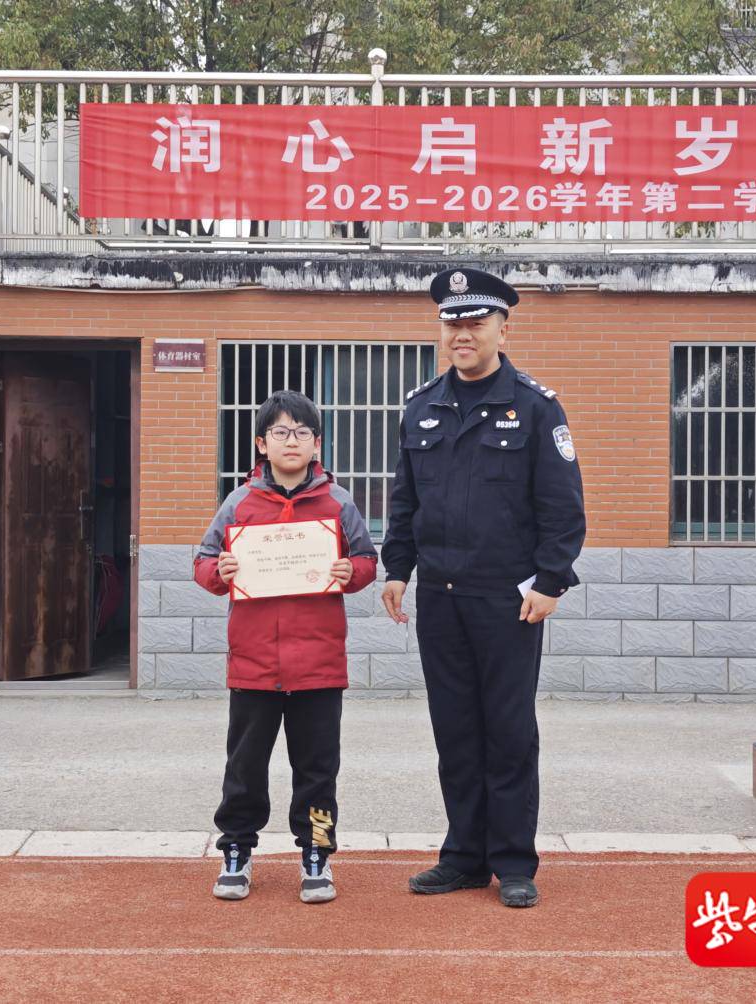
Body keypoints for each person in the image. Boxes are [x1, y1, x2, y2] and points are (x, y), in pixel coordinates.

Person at [380, 267, 586, 909]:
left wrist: (551, 581)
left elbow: (563, 507)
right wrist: (396, 568)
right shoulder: (422, 407)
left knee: (509, 729)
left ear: (503, 328)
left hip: (508, 599)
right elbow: (405, 500)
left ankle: (514, 860)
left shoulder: (536, 407)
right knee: (455, 729)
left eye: (475, 322)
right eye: (452, 323)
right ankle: (464, 856)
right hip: (440, 597)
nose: (462, 334)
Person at [195, 389, 377, 903]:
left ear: (316, 443)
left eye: (301, 432)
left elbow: (367, 560)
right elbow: (203, 563)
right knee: (244, 768)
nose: (291, 441)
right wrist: (221, 571)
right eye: (280, 432)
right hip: (253, 665)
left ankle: (316, 853)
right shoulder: (239, 503)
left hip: (318, 666)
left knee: (317, 771)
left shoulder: (338, 502)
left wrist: (351, 571)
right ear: (262, 443)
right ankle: (236, 850)